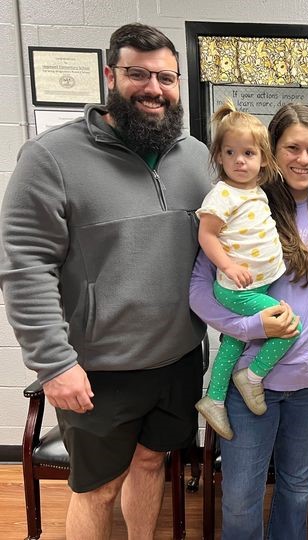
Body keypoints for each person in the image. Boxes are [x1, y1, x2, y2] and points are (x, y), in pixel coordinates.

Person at [0, 24, 208, 538]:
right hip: (97, 369)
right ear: (110, 76)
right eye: (138, 74)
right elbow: (25, 266)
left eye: (166, 77)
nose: (154, 88)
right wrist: (53, 363)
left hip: (179, 359)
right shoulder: (50, 158)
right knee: (98, 489)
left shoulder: (197, 157)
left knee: (151, 464)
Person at [189, 103, 308, 539]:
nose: (303, 159)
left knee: (298, 483)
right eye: (292, 147)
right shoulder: (244, 205)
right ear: (271, 150)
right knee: (243, 493)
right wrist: (252, 329)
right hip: (253, 380)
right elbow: (198, 294)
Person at [194, 101, 303, 440]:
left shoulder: (255, 191)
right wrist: (226, 264)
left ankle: (214, 398)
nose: (239, 160)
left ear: (263, 159)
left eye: (248, 153)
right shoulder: (221, 195)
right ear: (219, 157)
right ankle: (252, 377)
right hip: (236, 289)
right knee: (289, 327)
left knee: (234, 342)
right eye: (230, 152)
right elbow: (207, 235)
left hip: (256, 286)